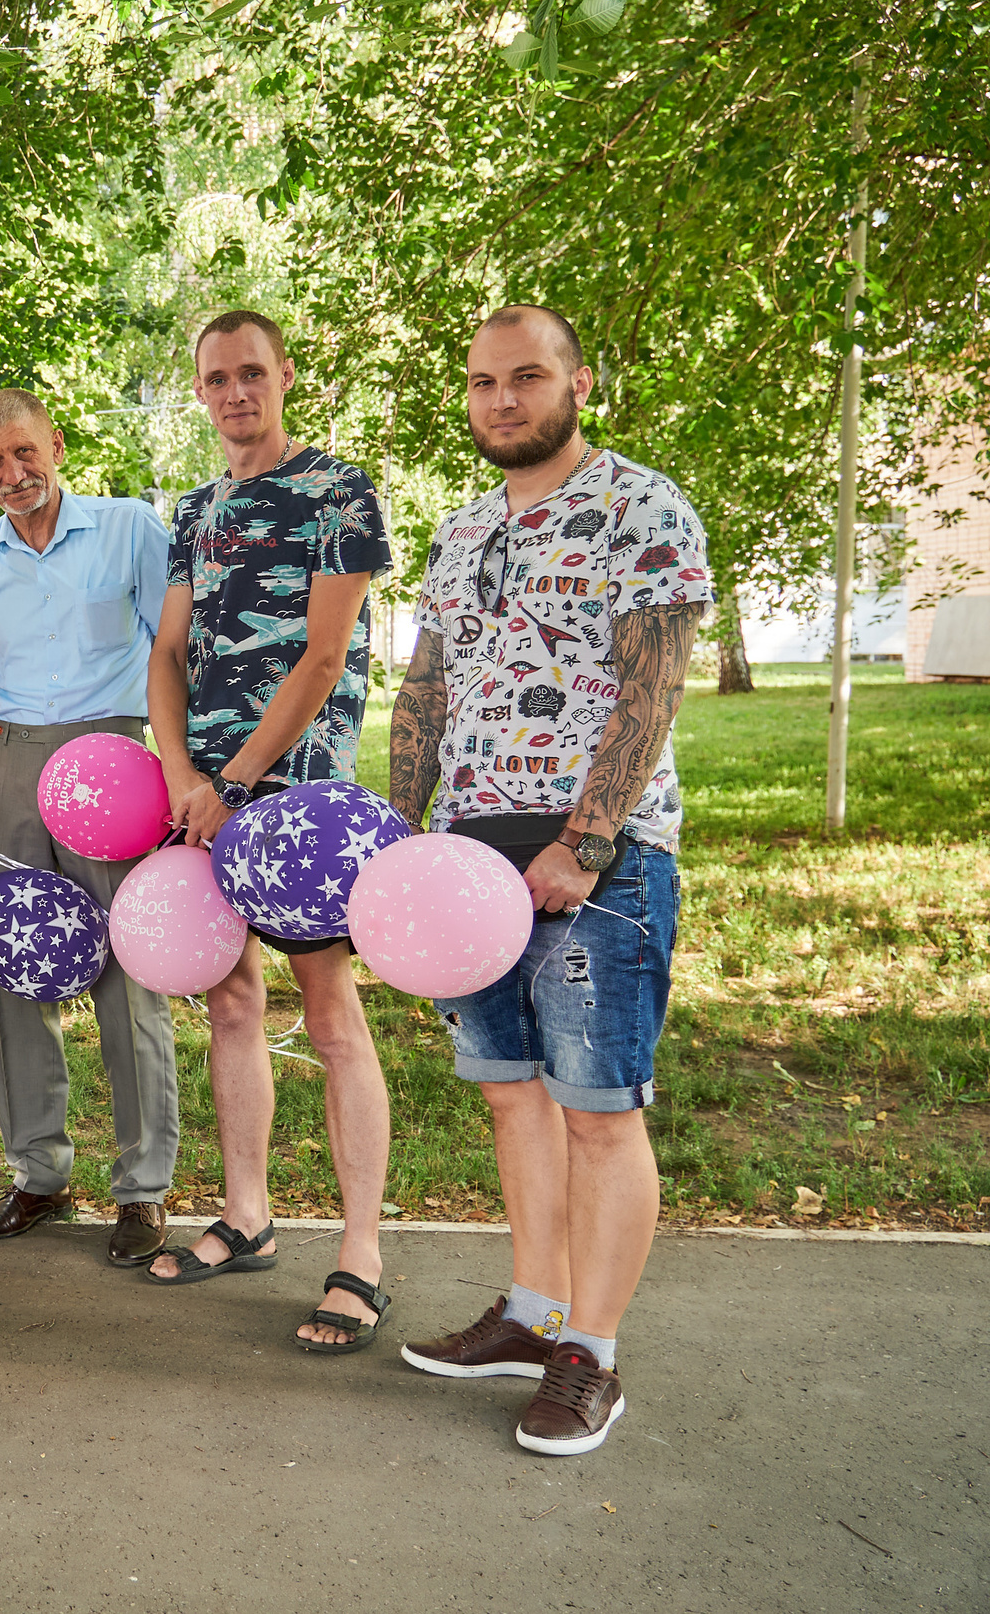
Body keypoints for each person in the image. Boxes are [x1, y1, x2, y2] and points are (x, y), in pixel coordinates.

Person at [390, 305, 710, 1456]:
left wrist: (585, 839)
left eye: (525, 377)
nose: (499, 400)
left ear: (579, 381)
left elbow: (651, 690)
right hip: (468, 859)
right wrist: (402, 836)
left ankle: (594, 1352)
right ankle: (532, 1311)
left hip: (596, 864)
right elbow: (425, 691)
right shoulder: (459, 527)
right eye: (480, 381)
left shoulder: (642, 505)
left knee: (597, 1111)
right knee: (511, 1090)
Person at [142, 310, 398, 1355]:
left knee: (331, 1018)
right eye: (216, 378)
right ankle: (245, 1214)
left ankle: (362, 1254)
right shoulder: (193, 511)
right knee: (231, 1002)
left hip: (296, 800)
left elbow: (324, 656)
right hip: (201, 793)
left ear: (285, 377)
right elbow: (165, 653)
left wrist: (238, 778)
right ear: (199, 391)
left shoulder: (338, 489)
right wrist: (181, 775)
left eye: (252, 373)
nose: (235, 391)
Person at [0, 389, 180, 1264]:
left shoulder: (130, 530)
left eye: (24, 452)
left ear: (58, 445)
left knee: (126, 969)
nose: (12, 473)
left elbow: (171, 653)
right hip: (9, 761)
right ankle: (38, 1173)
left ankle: (143, 1188)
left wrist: (176, 770)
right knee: (16, 970)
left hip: (113, 764)